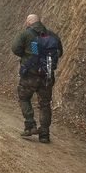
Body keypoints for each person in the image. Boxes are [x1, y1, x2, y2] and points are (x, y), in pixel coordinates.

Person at [11, 14, 63, 144]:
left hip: (30, 74)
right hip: (47, 76)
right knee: (45, 104)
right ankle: (44, 135)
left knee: (24, 97)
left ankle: (30, 125)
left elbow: (15, 49)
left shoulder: (26, 34)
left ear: (28, 22)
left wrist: (27, 54)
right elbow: (60, 52)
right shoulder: (52, 35)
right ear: (39, 22)